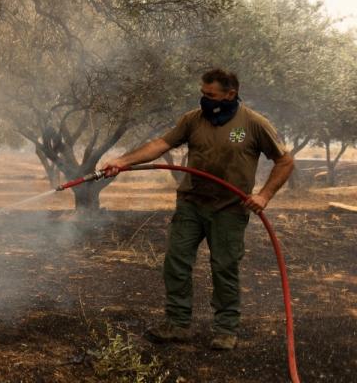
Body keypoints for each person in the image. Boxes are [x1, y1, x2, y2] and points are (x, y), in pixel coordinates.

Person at [99, 68, 295, 351]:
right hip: (191, 203)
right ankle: (177, 324)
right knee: (176, 263)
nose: (204, 99)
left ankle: (226, 329)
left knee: (224, 268)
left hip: (229, 208)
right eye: (202, 93)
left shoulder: (253, 124)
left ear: (231, 94)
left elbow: (285, 161)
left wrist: (264, 195)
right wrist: (123, 161)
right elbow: (160, 144)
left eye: (210, 95)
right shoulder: (193, 119)